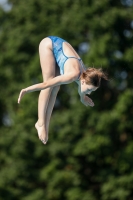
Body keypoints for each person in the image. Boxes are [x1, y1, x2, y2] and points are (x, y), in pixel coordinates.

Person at [18, 36, 108, 144]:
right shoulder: (72, 75)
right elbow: (45, 84)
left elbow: (81, 89)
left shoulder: (85, 75)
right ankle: (40, 122)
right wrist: (26, 90)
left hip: (60, 48)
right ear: (83, 82)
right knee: (49, 85)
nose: (90, 92)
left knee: (56, 88)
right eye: (89, 90)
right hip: (49, 45)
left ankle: (46, 126)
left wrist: (82, 97)